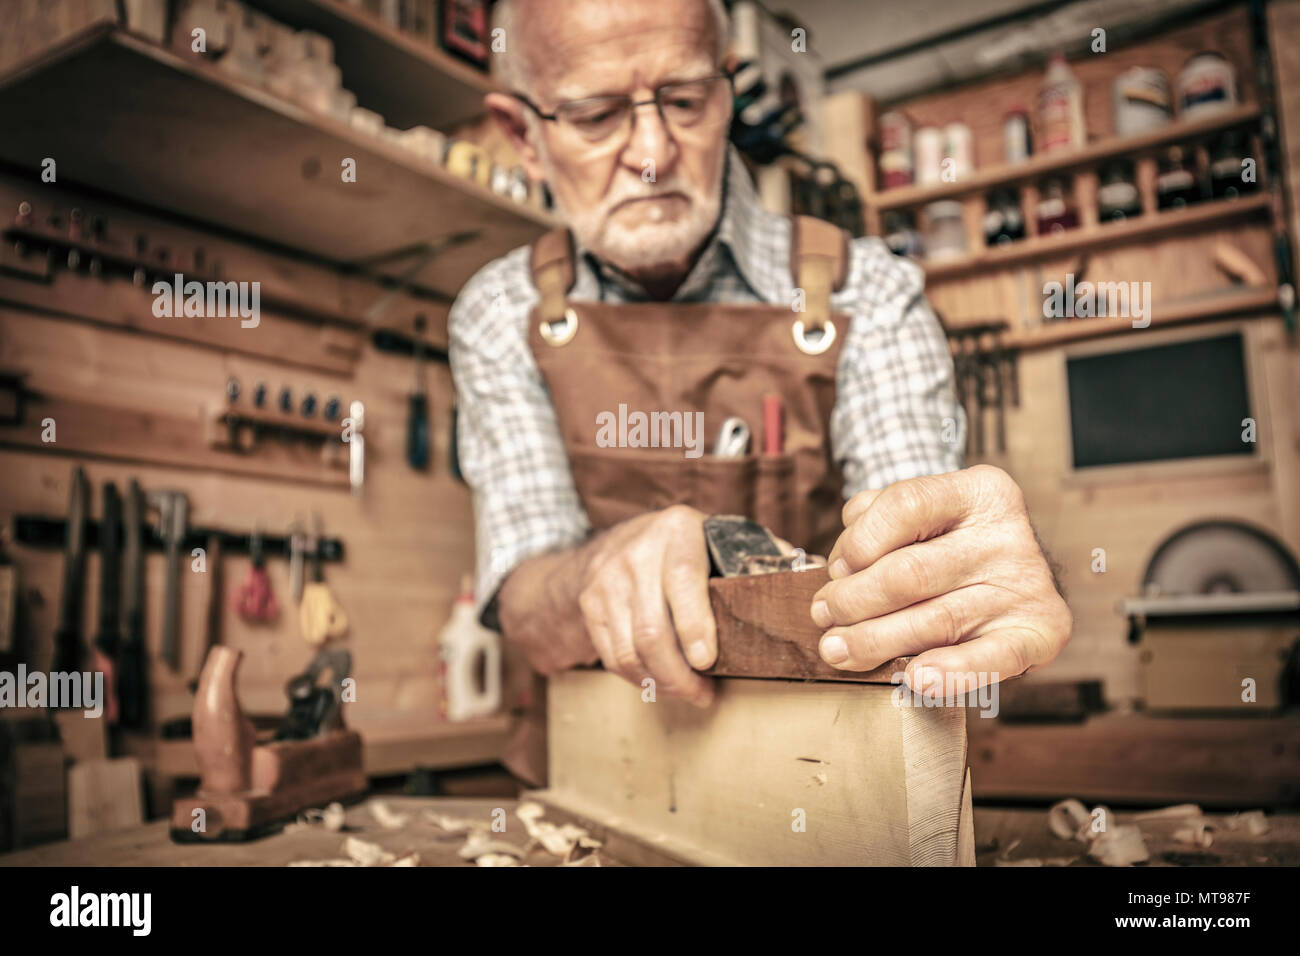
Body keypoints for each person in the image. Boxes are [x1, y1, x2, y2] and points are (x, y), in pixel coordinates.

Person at [448, 0, 1071, 745]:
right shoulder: (498, 314)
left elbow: (915, 562)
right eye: (595, 115)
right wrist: (593, 574)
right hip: (596, 767)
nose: (652, 154)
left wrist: (970, 578)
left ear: (728, 90)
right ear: (523, 133)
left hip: (823, 767)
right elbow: (526, 610)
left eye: (683, 101)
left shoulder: (863, 294)